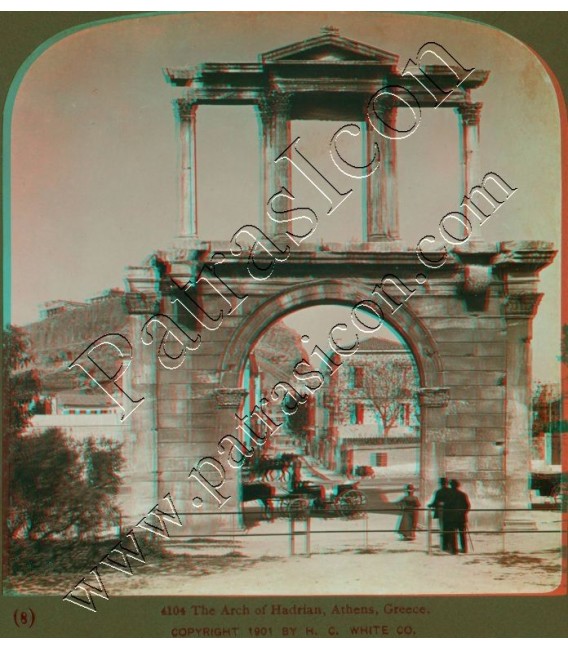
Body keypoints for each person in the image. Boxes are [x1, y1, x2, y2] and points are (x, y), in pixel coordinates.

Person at [444, 479, 471, 554]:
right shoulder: (463, 494)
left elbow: (445, 506)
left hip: (451, 518)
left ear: (450, 485)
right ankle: (464, 549)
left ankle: (453, 550)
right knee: (462, 534)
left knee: (452, 534)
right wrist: (463, 513)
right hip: (461, 517)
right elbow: (467, 506)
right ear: (458, 486)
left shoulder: (448, 495)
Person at [428, 477, 452, 551]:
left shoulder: (439, 492)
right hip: (450, 513)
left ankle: (444, 546)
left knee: (443, 529)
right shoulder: (451, 491)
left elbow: (435, 502)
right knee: (449, 529)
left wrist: (430, 505)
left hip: (442, 513)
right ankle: (449, 545)